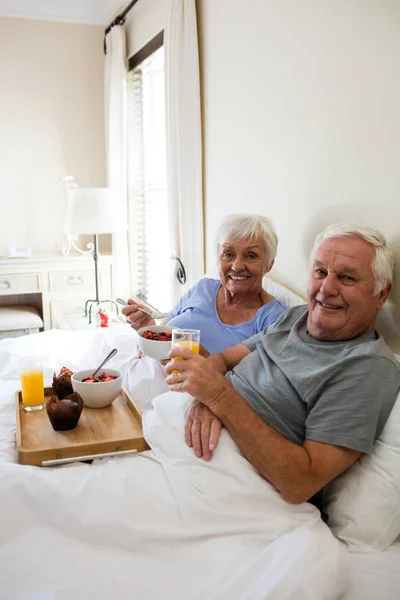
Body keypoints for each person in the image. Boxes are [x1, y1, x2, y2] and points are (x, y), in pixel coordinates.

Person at [164, 223, 400, 504]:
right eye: (320, 272)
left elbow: (301, 483)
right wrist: (206, 400)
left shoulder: (367, 368)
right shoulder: (297, 316)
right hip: (191, 433)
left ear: (381, 294)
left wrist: (218, 398)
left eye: (347, 278)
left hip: (235, 480)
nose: (326, 289)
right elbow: (226, 358)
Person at [121, 214, 287, 354]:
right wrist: (149, 330)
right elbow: (160, 335)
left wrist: (203, 362)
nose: (237, 266)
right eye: (228, 254)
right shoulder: (203, 288)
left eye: (251, 256)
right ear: (218, 258)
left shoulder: (276, 320)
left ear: (269, 263)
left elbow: (258, 386)